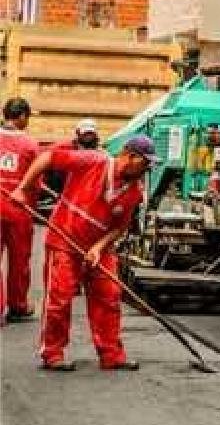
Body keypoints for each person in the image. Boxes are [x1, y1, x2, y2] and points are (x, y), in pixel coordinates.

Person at [11, 135, 157, 371]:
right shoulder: (92, 161)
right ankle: (53, 353)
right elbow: (47, 158)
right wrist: (22, 188)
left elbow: (120, 227)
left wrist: (98, 247)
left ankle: (111, 355)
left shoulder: (134, 192)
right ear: (131, 156)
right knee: (59, 298)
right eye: (146, 162)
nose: (148, 168)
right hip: (64, 240)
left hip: (99, 247)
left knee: (109, 297)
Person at [0, 98, 40, 323]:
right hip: (18, 210)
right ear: (22, 116)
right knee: (19, 260)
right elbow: (35, 182)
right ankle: (17, 306)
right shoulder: (29, 145)